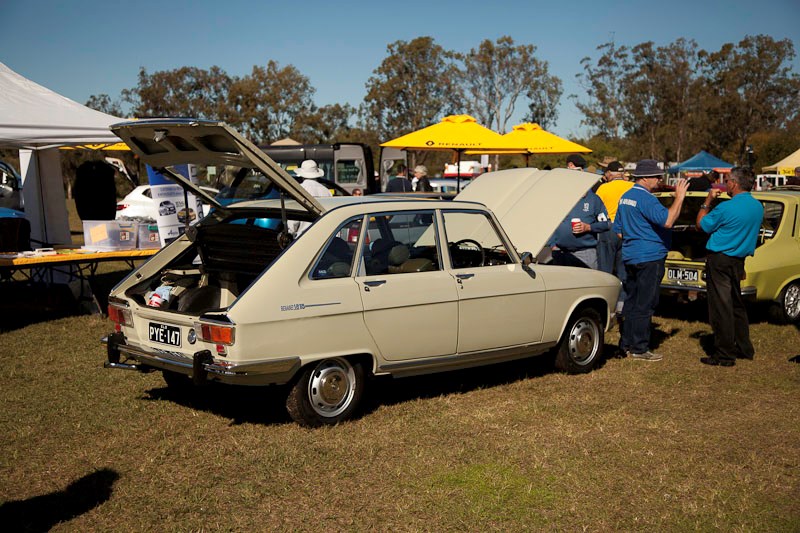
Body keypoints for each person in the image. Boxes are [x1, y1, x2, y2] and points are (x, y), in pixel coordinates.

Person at [613, 159, 690, 361]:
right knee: (645, 303)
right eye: (656, 176)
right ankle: (639, 348)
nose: (659, 180)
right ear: (646, 178)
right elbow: (668, 220)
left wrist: (636, 236)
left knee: (631, 301)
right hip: (650, 257)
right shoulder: (646, 199)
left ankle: (625, 344)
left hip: (631, 255)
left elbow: (619, 231)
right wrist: (679, 198)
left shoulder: (625, 197)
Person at [695, 166, 763, 367]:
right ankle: (744, 347)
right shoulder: (758, 206)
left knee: (721, 307)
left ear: (733, 183)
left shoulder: (726, 207)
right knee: (736, 304)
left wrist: (707, 202)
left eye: (728, 181)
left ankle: (724, 353)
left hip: (720, 260)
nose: (726, 184)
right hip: (738, 259)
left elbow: (701, 225)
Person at [596, 161, 634, 311]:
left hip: (608, 229)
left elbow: (596, 209)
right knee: (623, 269)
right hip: (627, 229)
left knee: (605, 269)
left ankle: (605, 304)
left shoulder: (603, 188)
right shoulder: (631, 186)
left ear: (610, 173)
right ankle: (622, 304)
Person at [548, 189, 609, 270]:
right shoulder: (560, 198)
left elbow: (606, 224)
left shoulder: (594, 199)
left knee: (588, 281)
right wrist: (552, 244)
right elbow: (548, 221)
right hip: (561, 252)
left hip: (585, 253)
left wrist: (588, 227)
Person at [289, 159, 332, 237]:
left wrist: (291, 232)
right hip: (323, 236)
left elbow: (293, 220)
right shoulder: (326, 191)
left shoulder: (299, 190)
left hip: (302, 237)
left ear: (302, 174)